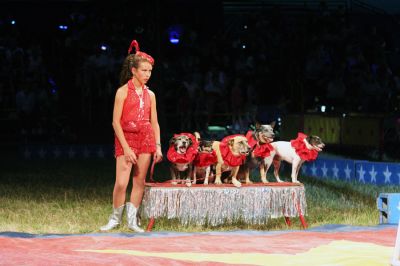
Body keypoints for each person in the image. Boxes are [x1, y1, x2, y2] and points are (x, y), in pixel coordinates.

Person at [100, 40, 163, 232]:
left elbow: (154, 123)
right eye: (144, 70)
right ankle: (115, 218)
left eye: (150, 71)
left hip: (146, 138)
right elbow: (115, 122)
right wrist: (126, 148)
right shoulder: (122, 92)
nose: (147, 74)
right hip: (126, 138)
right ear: (134, 70)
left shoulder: (150, 95)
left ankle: (132, 220)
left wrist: (158, 145)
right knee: (121, 182)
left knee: (139, 180)